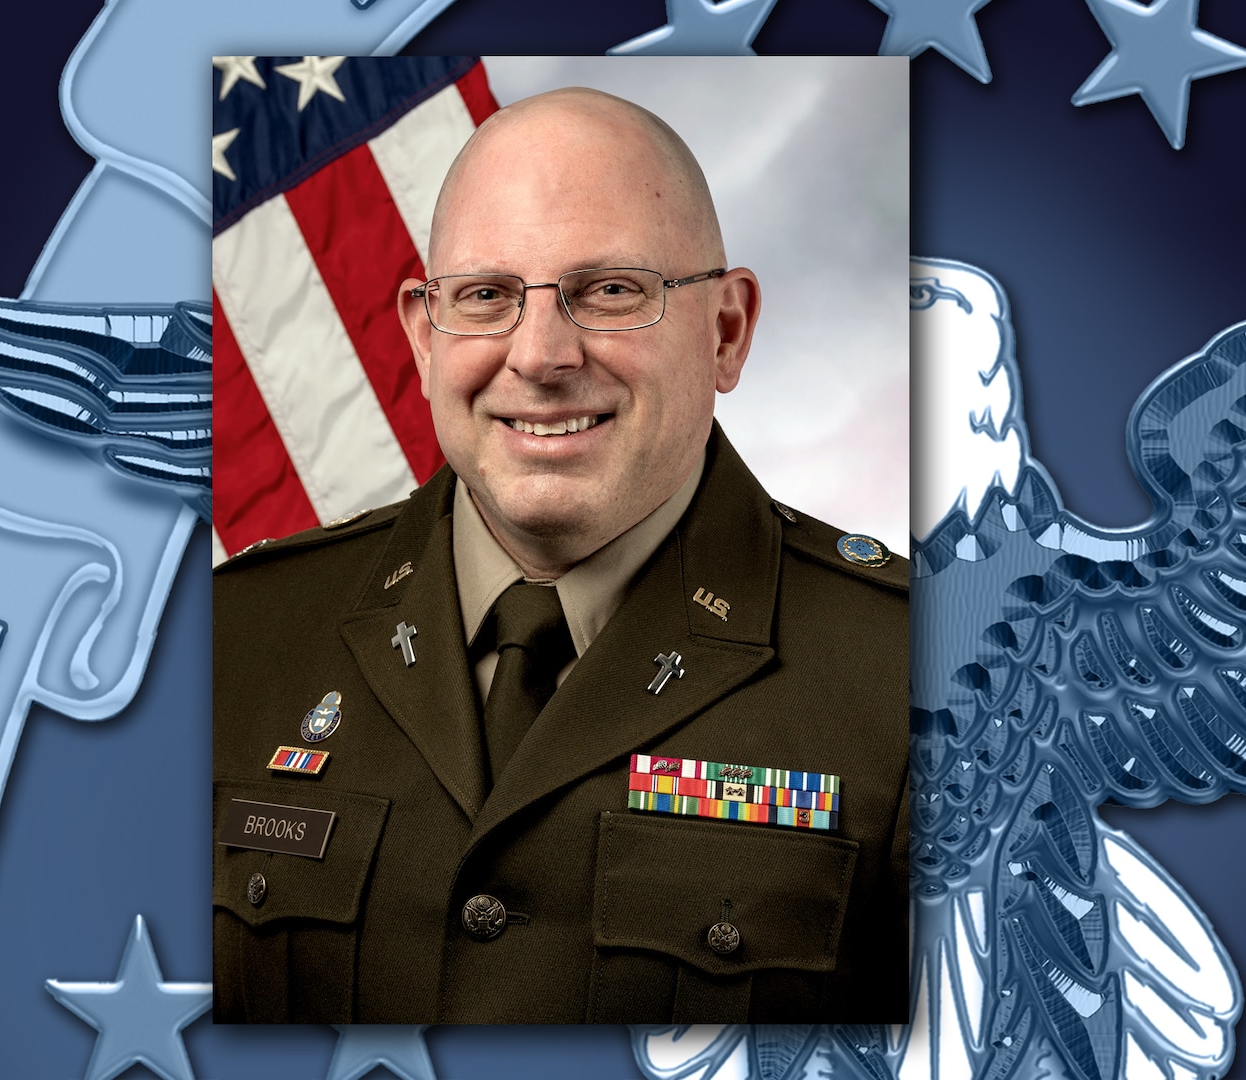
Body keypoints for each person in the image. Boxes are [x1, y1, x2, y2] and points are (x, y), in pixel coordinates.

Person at [213, 87, 908, 1024]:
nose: (539, 355)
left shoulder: (918, 676)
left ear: (727, 332)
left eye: (612, 290)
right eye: (487, 297)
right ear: (423, 338)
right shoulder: (233, 637)